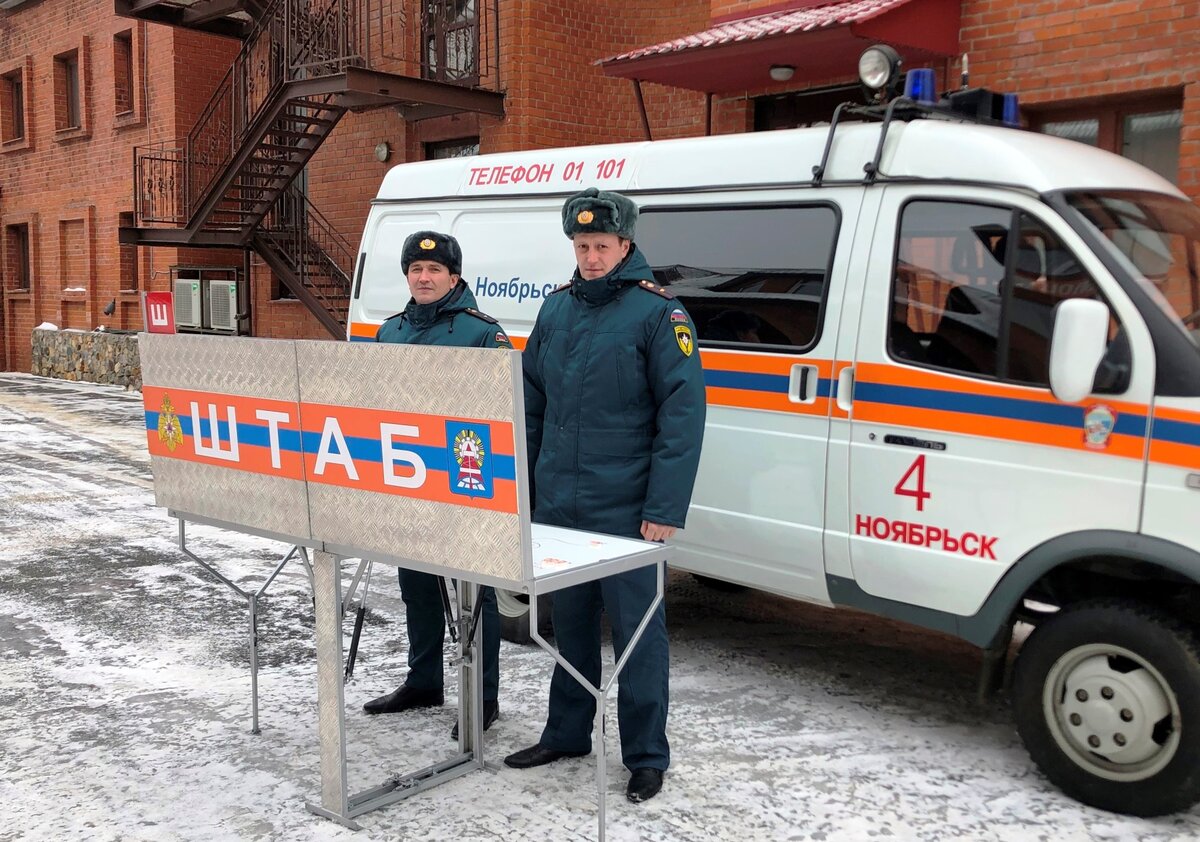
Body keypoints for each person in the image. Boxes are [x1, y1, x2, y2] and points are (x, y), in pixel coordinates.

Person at [503, 188, 706, 803]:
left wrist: (663, 509)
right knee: (569, 627)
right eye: (582, 246)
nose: (591, 257)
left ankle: (646, 756)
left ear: (625, 245)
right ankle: (567, 733)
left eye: (601, 246)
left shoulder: (659, 315)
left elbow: (681, 417)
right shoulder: (555, 309)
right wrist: (524, 492)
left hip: (626, 511)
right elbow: (530, 406)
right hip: (561, 504)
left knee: (638, 635)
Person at [363, 230, 510, 740]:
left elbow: (502, 412)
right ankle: (423, 681)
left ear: (454, 276)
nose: (424, 278)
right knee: (416, 587)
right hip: (410, 481)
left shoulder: (482, 334)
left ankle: (482, 697)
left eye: (434, 270)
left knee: (476, 597)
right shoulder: (390, 332)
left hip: (467, 482)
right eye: (416, 270)